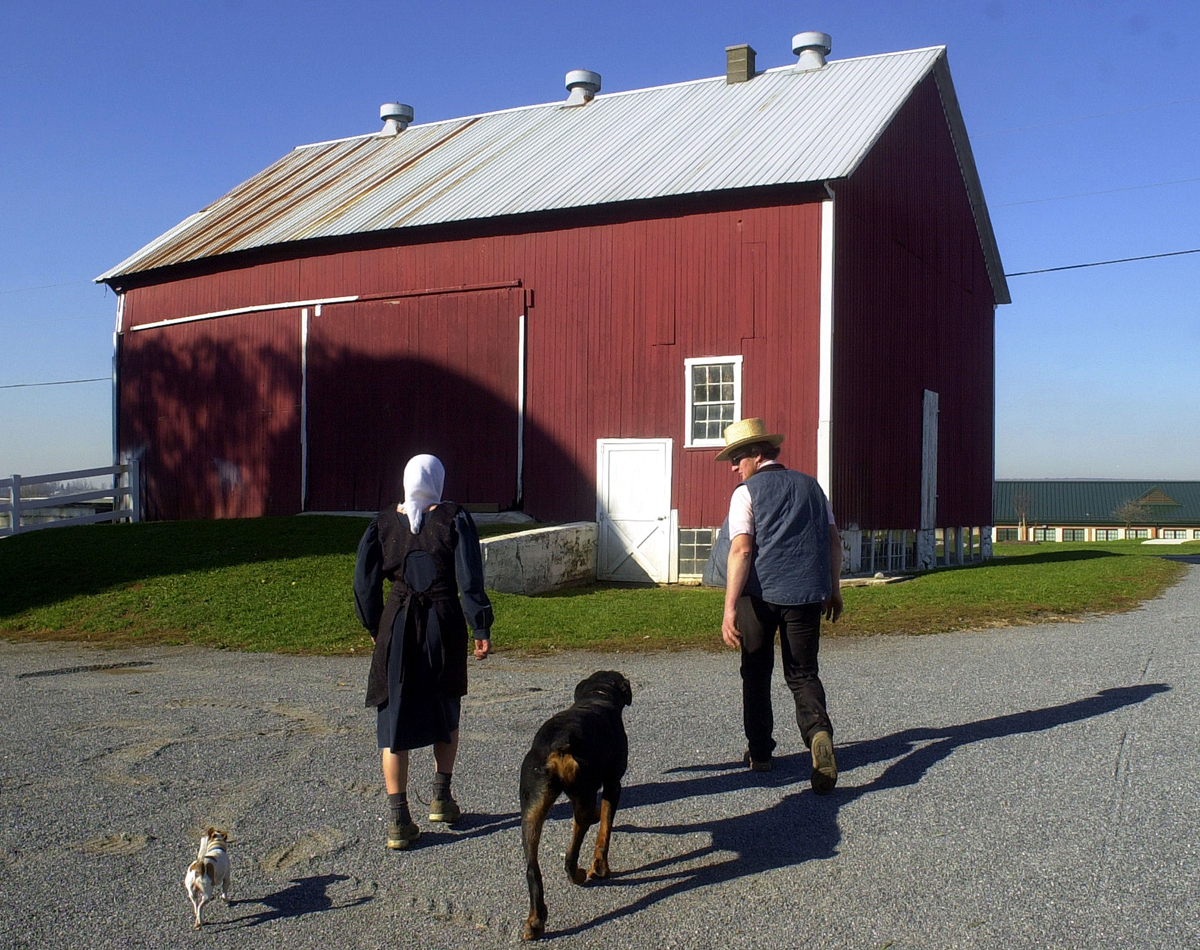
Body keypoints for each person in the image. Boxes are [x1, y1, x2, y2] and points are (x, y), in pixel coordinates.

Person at [353, 454, 493, 849]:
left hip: (396, 626)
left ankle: (398, 820)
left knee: (392, 718)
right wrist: (479, 624)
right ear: (437, 481)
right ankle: (441, 798)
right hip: (443, 624)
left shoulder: (381, 524)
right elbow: (469, 577)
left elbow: (364, 587)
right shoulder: (453, 519)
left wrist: (376, 625)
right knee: (445, 705)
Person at [704, 418, 843, 793]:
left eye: (737, 458)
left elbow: (742, 548)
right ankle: (818, 735)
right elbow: (833, 540)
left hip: (759, 596)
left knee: (756, 672)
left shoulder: (745, 492)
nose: (734, 466)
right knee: (802, 674)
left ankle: (761, 752)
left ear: (757, 454)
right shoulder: (812, 487)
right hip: (807, 595)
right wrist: (835, 589)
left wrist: (729, 606)